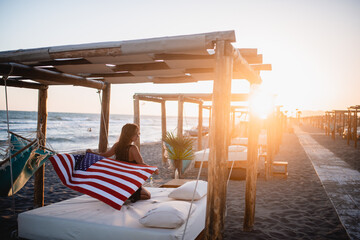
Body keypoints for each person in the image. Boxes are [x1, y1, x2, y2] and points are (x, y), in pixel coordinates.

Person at [87, 123, 159, 202]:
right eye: (136, 134)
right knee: (147, 195)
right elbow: (141, 163)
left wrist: (93, 153)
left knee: (142, 192)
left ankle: (124, 195)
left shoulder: (116, 146)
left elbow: (105, 155)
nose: (138, 136)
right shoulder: (133, 148)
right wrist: (153, 169)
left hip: (118, 180)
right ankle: (128, 197)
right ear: (130, 135)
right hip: (129, 181)